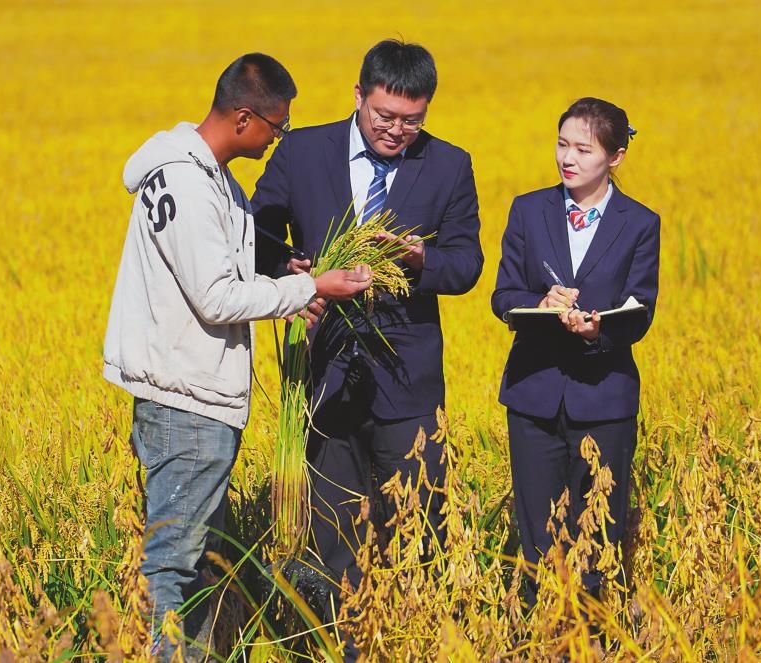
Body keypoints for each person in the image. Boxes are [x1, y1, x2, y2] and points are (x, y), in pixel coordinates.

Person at [102, 53, 372, 657]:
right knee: (176, 566)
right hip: (186, 403)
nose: (278, 141)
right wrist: (310, 289)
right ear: (244, 117)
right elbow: (216, 297)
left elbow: (224, 271)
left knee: (200, 565)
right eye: (276, 128)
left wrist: (285, 272)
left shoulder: (212, 178)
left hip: (196, 400)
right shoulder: (189, 183)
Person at [252, 39, 484, 606]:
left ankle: (413, 632)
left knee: (419, 527)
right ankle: (342, 637)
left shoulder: (449, 164)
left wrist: (418, 259)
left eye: (412, 120)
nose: (396, 130)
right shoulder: (302, 152)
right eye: (384, 115)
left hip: (410, 384)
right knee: (333, 537)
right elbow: (252, 237)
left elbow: (467, 264)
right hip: (323, 374)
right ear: (358, 95)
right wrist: (291, 275)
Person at [490, 97, 660, 607]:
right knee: (539, 539)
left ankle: (588, 639)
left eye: (583, 149)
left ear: (616, 156)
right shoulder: (528, 209)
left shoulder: (639, 222)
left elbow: (642, 310)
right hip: (534, 396)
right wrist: (540, 304)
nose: (568, 158)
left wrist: (596, 331)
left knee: (596, 539)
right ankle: (542, 636)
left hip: (603, 400)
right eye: (562, 144)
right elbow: (503, 296)